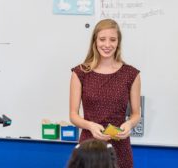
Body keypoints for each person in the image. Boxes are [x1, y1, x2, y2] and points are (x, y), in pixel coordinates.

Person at [69, 19, 141, 168]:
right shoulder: (80, 73)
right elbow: (73, 115)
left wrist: (129, 124)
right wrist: (90, 126)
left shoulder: (131, 74)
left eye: (112, 40)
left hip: (120, 147)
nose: (107, 45)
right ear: (95, 41)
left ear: (118, 42)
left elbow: (136, 114)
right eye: (102, 39)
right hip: (90, 147)